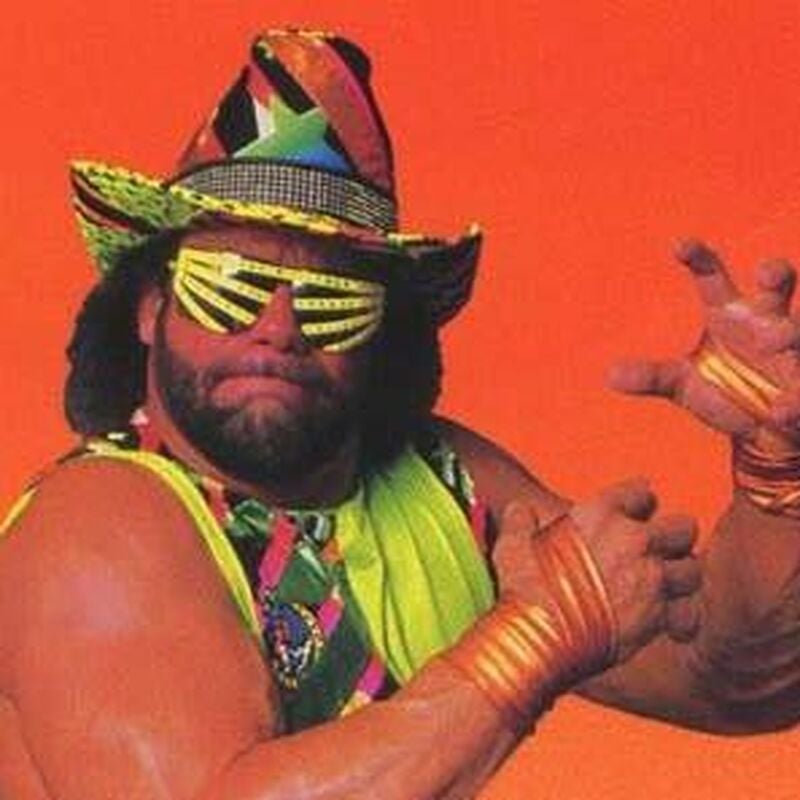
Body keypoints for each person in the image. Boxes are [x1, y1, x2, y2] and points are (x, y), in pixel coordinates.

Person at [0, 28, 797, 799]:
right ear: (150, 307)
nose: (278, 329)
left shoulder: (444, 486)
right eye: (229, 287)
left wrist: (778, 472)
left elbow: (732, 685)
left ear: (382, 330)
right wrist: (533, 640)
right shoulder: (93, 525)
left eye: (332, 302)